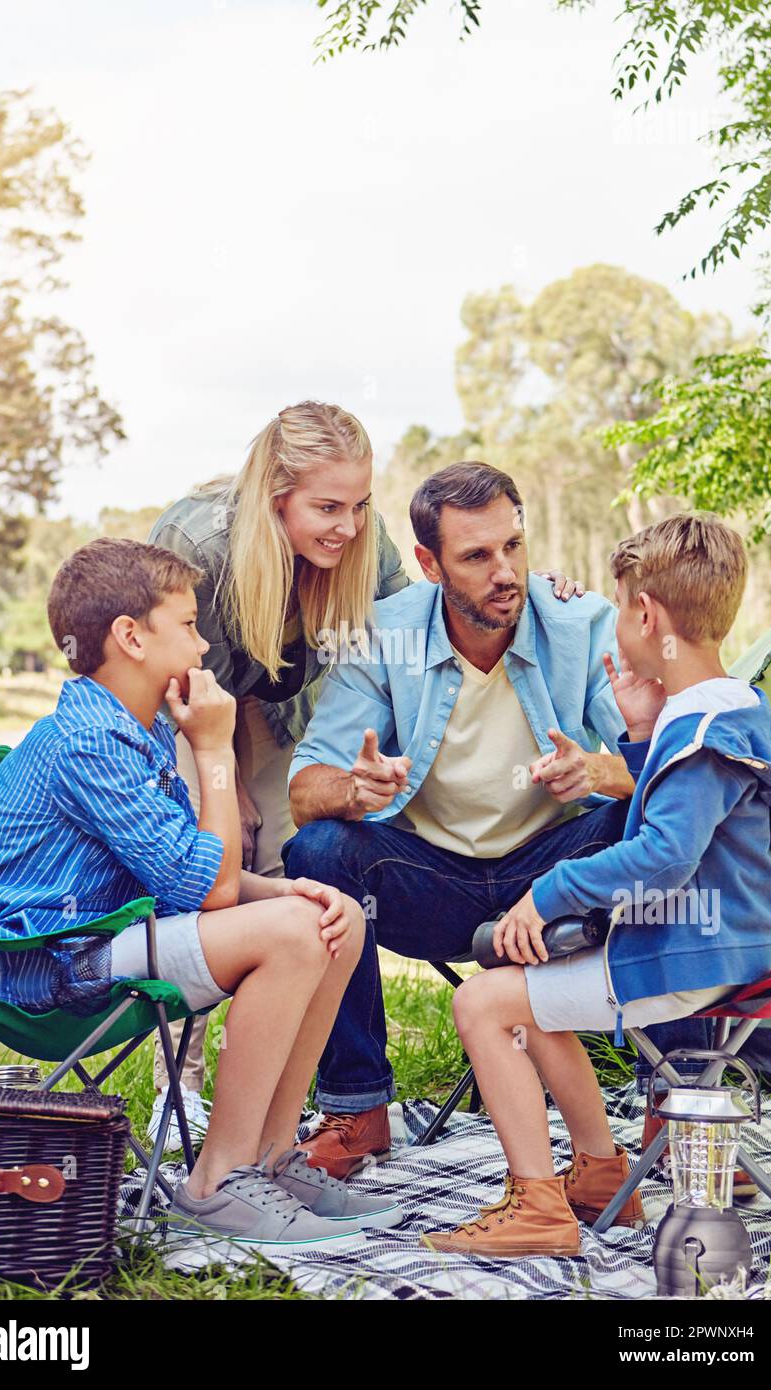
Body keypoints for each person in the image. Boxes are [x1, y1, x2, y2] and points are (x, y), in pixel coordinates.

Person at [0, 538, 403, 1258]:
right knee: (290, 934)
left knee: (334, 918)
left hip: (108, 935)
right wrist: (217, 753)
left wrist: (288, 887)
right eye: (189, 625)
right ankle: (216, 1182)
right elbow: (211, 889)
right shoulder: (91, 740)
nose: (203, 644)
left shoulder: (147, 726)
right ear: (131, 637)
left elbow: (188, 868)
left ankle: (272, 1157)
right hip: (41, 968)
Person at [148, 403, 582, 1146]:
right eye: (325, 507)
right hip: (187, 703)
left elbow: (429, 612)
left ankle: (320, 1098)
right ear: (272, 495)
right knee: (206, 863)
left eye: (358, 504)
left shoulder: (365, 542)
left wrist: (516, 589)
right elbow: (174, 688)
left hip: (281, 710)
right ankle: (180, 1085)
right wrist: (222, 786)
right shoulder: (202, 545)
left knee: (301, 875)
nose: (347, 526)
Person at [284, 460, 705, 1180]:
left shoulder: (581, 621)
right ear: (428, 564)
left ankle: (681, 1094)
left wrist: (600, 771)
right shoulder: (384, 637)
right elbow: (304, 788)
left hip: (554, 879)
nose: (505, 570)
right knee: (319, 850)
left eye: (513, 546)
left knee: (665, 824)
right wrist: (355, 789)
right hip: (430, 883)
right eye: (476, 556)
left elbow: (677, 769)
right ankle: (358, 1109)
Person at [423, 513, 771, 1256]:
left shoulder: (700, 733)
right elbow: (725, 824)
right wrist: (639, 731)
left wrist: (549, 891)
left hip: (692, 960)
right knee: (530, 991)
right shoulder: (732, 710)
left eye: (619, 609)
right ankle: (599, 1174)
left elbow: (664, 857)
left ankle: (538, 1207)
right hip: (736, 951)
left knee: (481, 1000)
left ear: (644, 614)